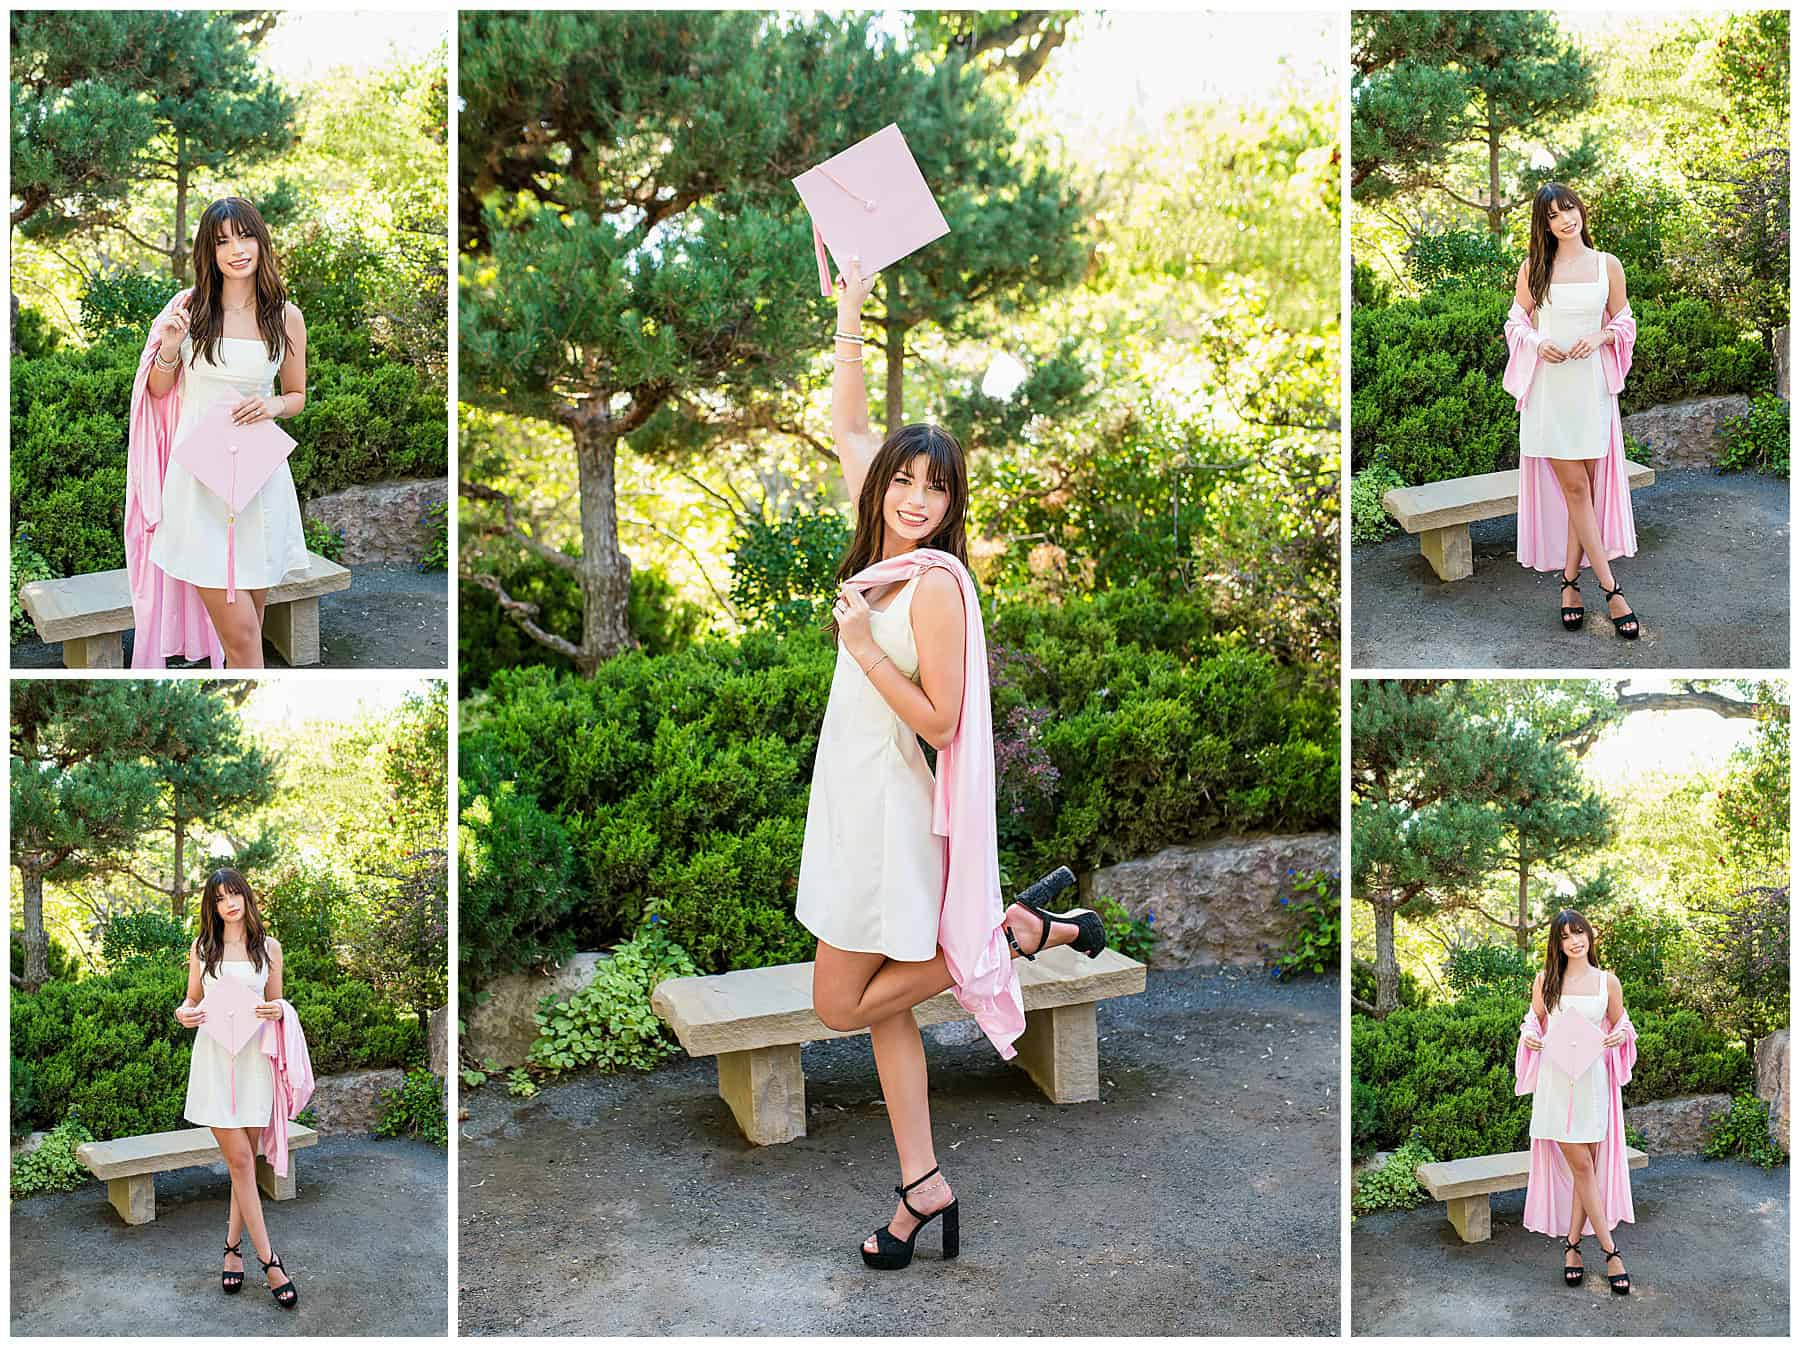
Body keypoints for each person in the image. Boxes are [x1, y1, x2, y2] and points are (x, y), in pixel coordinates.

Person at [797, 256, 1107, 1272]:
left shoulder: (928, 585)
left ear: (951, 503)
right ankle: (921, 1188)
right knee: (886, 1014)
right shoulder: (877, 554)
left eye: (936, 487)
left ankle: (1009, 934)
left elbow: (939, 723)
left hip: (889, 818)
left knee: (844, 1003)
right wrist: (848, 302)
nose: (916, 498)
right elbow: (847, 424)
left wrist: (857, 652)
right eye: (904, 479)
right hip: (847, 808)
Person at [127, 196, 310, 668]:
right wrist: (168, 347)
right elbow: (159, 391)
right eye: (222, 240)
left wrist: (271, 404)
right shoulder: (188, 309)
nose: (236, 249)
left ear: (260, 241)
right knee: (245, 639)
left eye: (244, 236)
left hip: (259, 484)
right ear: (208, 251)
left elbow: (296, 396)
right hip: (199, 487)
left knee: (251, 626)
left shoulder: (285, 315)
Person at [1503, 183, 1641, 640]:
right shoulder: (1534, 268)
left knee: (1588, 494)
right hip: (1548, 394)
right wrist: (1538, 342)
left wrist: (1601, 338)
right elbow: (1516, 321)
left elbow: (1623, 321)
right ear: (1544, 225)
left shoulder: (1608, 265)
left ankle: (1568, 583)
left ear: (1581, 210)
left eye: (1570, 209)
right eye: (1554, 215)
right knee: (1577, 490)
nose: (1566, 219)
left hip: (1591, 389)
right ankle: (1612, 589)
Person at [175, 868, 300, 1308]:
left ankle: (231, 1251)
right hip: (213, 1065)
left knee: (240, 1166)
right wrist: (183, 1013)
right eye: (220, 898)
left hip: (253, 1066)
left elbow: (278, 1003)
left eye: (235, 894)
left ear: (246, 897)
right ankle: (271, 1261)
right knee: (243, 1161)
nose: (230, 903)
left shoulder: (269, 948)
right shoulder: (202, 948)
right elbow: (191, 999)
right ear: (211, 906)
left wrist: (276, 1010)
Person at [1516, 909, 1636, 1295]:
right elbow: (1533, 1022)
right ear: (1558, 943)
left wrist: (1619, 1037)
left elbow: (1622, 1025)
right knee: (1582, 1166)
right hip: (1556, 1084)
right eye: (1566, 936)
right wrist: (1531, 1037)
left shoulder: (1607, 982)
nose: (1574, 941)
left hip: (1593, 1085)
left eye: (1579, 932)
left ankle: (1571, 1247)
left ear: (1589, 935)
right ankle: (1611, 1251)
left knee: (1589, 1171)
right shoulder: (1545, 981)